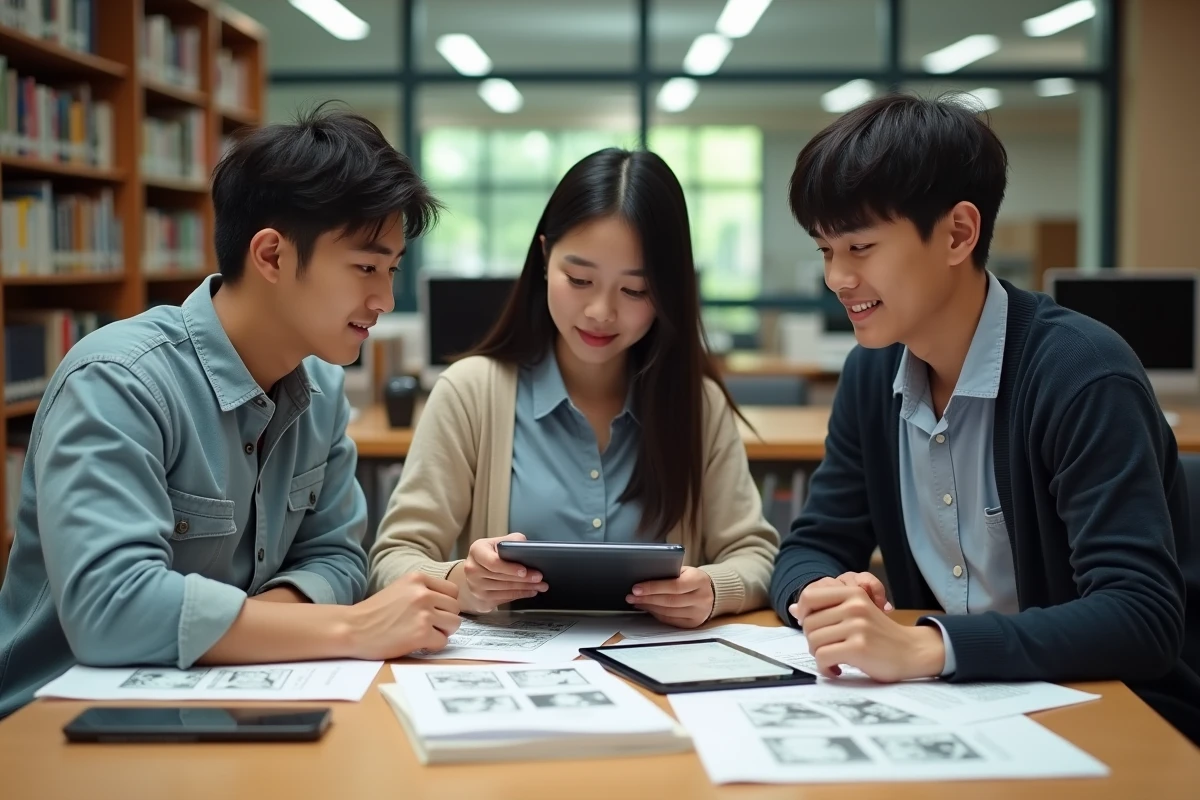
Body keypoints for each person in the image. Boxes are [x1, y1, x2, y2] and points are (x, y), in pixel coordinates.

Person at [0, 106, 462, 720]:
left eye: (392, 269)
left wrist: (261, 627)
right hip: (55, 726)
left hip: (227, 702)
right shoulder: (118, 380)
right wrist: (349, 630)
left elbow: (338, 556)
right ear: (271, 255)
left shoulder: (320, 390)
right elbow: (111, 610)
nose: (384, 299)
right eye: (366, 267)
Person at [769, 92, 1200, 745]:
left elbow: (1140, 617)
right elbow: (811, 544)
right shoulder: (872, 374)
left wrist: (928, 648)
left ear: (958, 234)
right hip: (952, 715)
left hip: (1107, 715)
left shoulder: (1080, 374)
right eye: (826, 250)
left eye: (859, 246)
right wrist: (823, 596)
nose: (837, 277)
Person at [368, 147, 779, 628]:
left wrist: (713, 590)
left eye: (635, 290)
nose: (601, 311)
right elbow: (393, 558)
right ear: (544, 257)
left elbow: (755, 554)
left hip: (658, 679)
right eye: (579, 279)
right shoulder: (471, 392)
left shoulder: (698, 405)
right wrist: (461, 579)